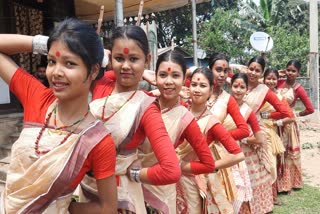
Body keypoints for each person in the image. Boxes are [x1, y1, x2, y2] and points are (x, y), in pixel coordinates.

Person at [0, 18, 117, 213]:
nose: (56, 72)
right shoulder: (37, 97)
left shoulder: (97, 141)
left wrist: (63, 207)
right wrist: (46, 42)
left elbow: (107, 207)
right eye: (52, 61)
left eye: (70, 63)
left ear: (94, 70)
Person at [83, 25, 181, 214]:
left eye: (134, 59)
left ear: (148, 59)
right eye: (119, 58)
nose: (126, 66)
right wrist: (102, 55)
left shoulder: (145, 108)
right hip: (86, 189)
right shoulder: (101, 84)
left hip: (121, 197)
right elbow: (78, 57)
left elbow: (171, 170)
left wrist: (134, 173)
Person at [139, 52, 215, 214]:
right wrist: (142, 72)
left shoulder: (185, 119)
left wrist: (179, 166)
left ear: (183, 80)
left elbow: (208, 164)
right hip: (130, 188)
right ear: (155, 77)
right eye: (163, 75)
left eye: (175, 75)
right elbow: (108, 78)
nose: (168, 82)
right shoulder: (142, 102)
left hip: (160, 193)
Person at [179, 67, 245, 214]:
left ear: (210, 91)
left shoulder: (211, 122)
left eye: (203, 86)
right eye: (194, 84)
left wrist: (208, 166)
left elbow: (238, 155)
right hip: (171, 174)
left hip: (193, 179)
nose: (197, 89)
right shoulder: (180, 110)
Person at [244, 56, 291, 213]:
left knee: (259, 171)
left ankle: (261, 206)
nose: (253, 72)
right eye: (251, 69)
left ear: (262, 73)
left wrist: (268, 117)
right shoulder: (239, 84)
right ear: (247, 68)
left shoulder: (263, 91)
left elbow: (286, 112)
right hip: (236, 132)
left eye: (257, 70)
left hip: (254, 134)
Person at [228, 73, 268, 213]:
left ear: (246, 90)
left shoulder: (248, 111)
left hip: (239, 154)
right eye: (235, 86)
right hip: (220, 152)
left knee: (239, 187)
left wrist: (242, 138)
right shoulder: (222, 106)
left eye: (242, 87)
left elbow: (260, 139)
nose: (238, 90)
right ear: (230, 86)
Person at [265, 67, 303, 195]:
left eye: (273, 79)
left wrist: (271, 118)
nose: (271, 81)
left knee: (275, 159)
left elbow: (289, 115)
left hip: (277, 129)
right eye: (268, 78)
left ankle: (276, 189)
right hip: (259, 129)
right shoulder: (257, 92)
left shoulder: (279, 96)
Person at [207, 53, 249, 140]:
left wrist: (217, 137)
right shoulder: (198, 92)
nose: (222, 75)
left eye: (225, 71)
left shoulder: (228, 99)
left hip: (216, 150)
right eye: (218, 70)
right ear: (210, 70)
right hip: (191, 149)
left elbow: (244, 131)